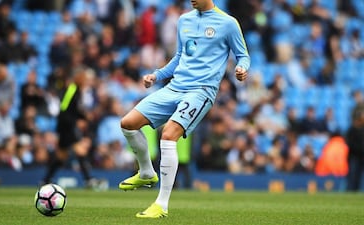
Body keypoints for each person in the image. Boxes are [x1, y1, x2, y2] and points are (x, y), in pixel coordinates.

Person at [118, 0, 250, 218]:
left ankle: (161, 204)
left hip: (201, 90)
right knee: (128, 123)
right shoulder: (184, 20)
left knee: (168, 135)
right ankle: (146, 172)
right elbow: (180, 57)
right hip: (175, 87)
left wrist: (241, 68)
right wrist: (157, 75)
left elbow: (243, 55)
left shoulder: (228, 23)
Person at [41, 69, 102, 189]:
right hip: (66, 127)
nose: (87, 82)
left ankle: (46, 180)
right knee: (80, 151)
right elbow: (63, 110)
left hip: (67, 126)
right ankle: (88, 180)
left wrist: (84, 116)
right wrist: (76, 121)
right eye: (85, 79)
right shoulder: (71, 90)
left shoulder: (77, 90)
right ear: (78, 78)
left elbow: (74, 110)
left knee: (61, 156)